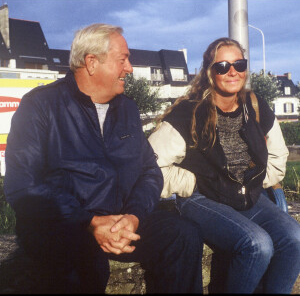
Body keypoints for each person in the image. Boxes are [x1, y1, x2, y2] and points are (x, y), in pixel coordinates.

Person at [4, 23, 204, 294]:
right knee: (85, 262)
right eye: (123, 59)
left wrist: (132, 217)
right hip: (65, 225)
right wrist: (90, 222)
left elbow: (149, 172)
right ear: (91, 62)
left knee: (182, 235)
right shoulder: (40, 106)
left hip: (121, 221)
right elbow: (23, 185)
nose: (130, 68)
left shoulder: (128, 109)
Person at [148, 37, 300, 294]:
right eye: (222, 66)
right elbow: (150, 165)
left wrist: (253, 182)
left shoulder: (255, 106)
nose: (232, 71)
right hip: (202, 198)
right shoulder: (188, 114)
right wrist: (190, 182)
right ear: (210, 72)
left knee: (294, 238)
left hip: (245, 195)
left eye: (239, 64)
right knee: (256, 244)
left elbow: (277, 155)